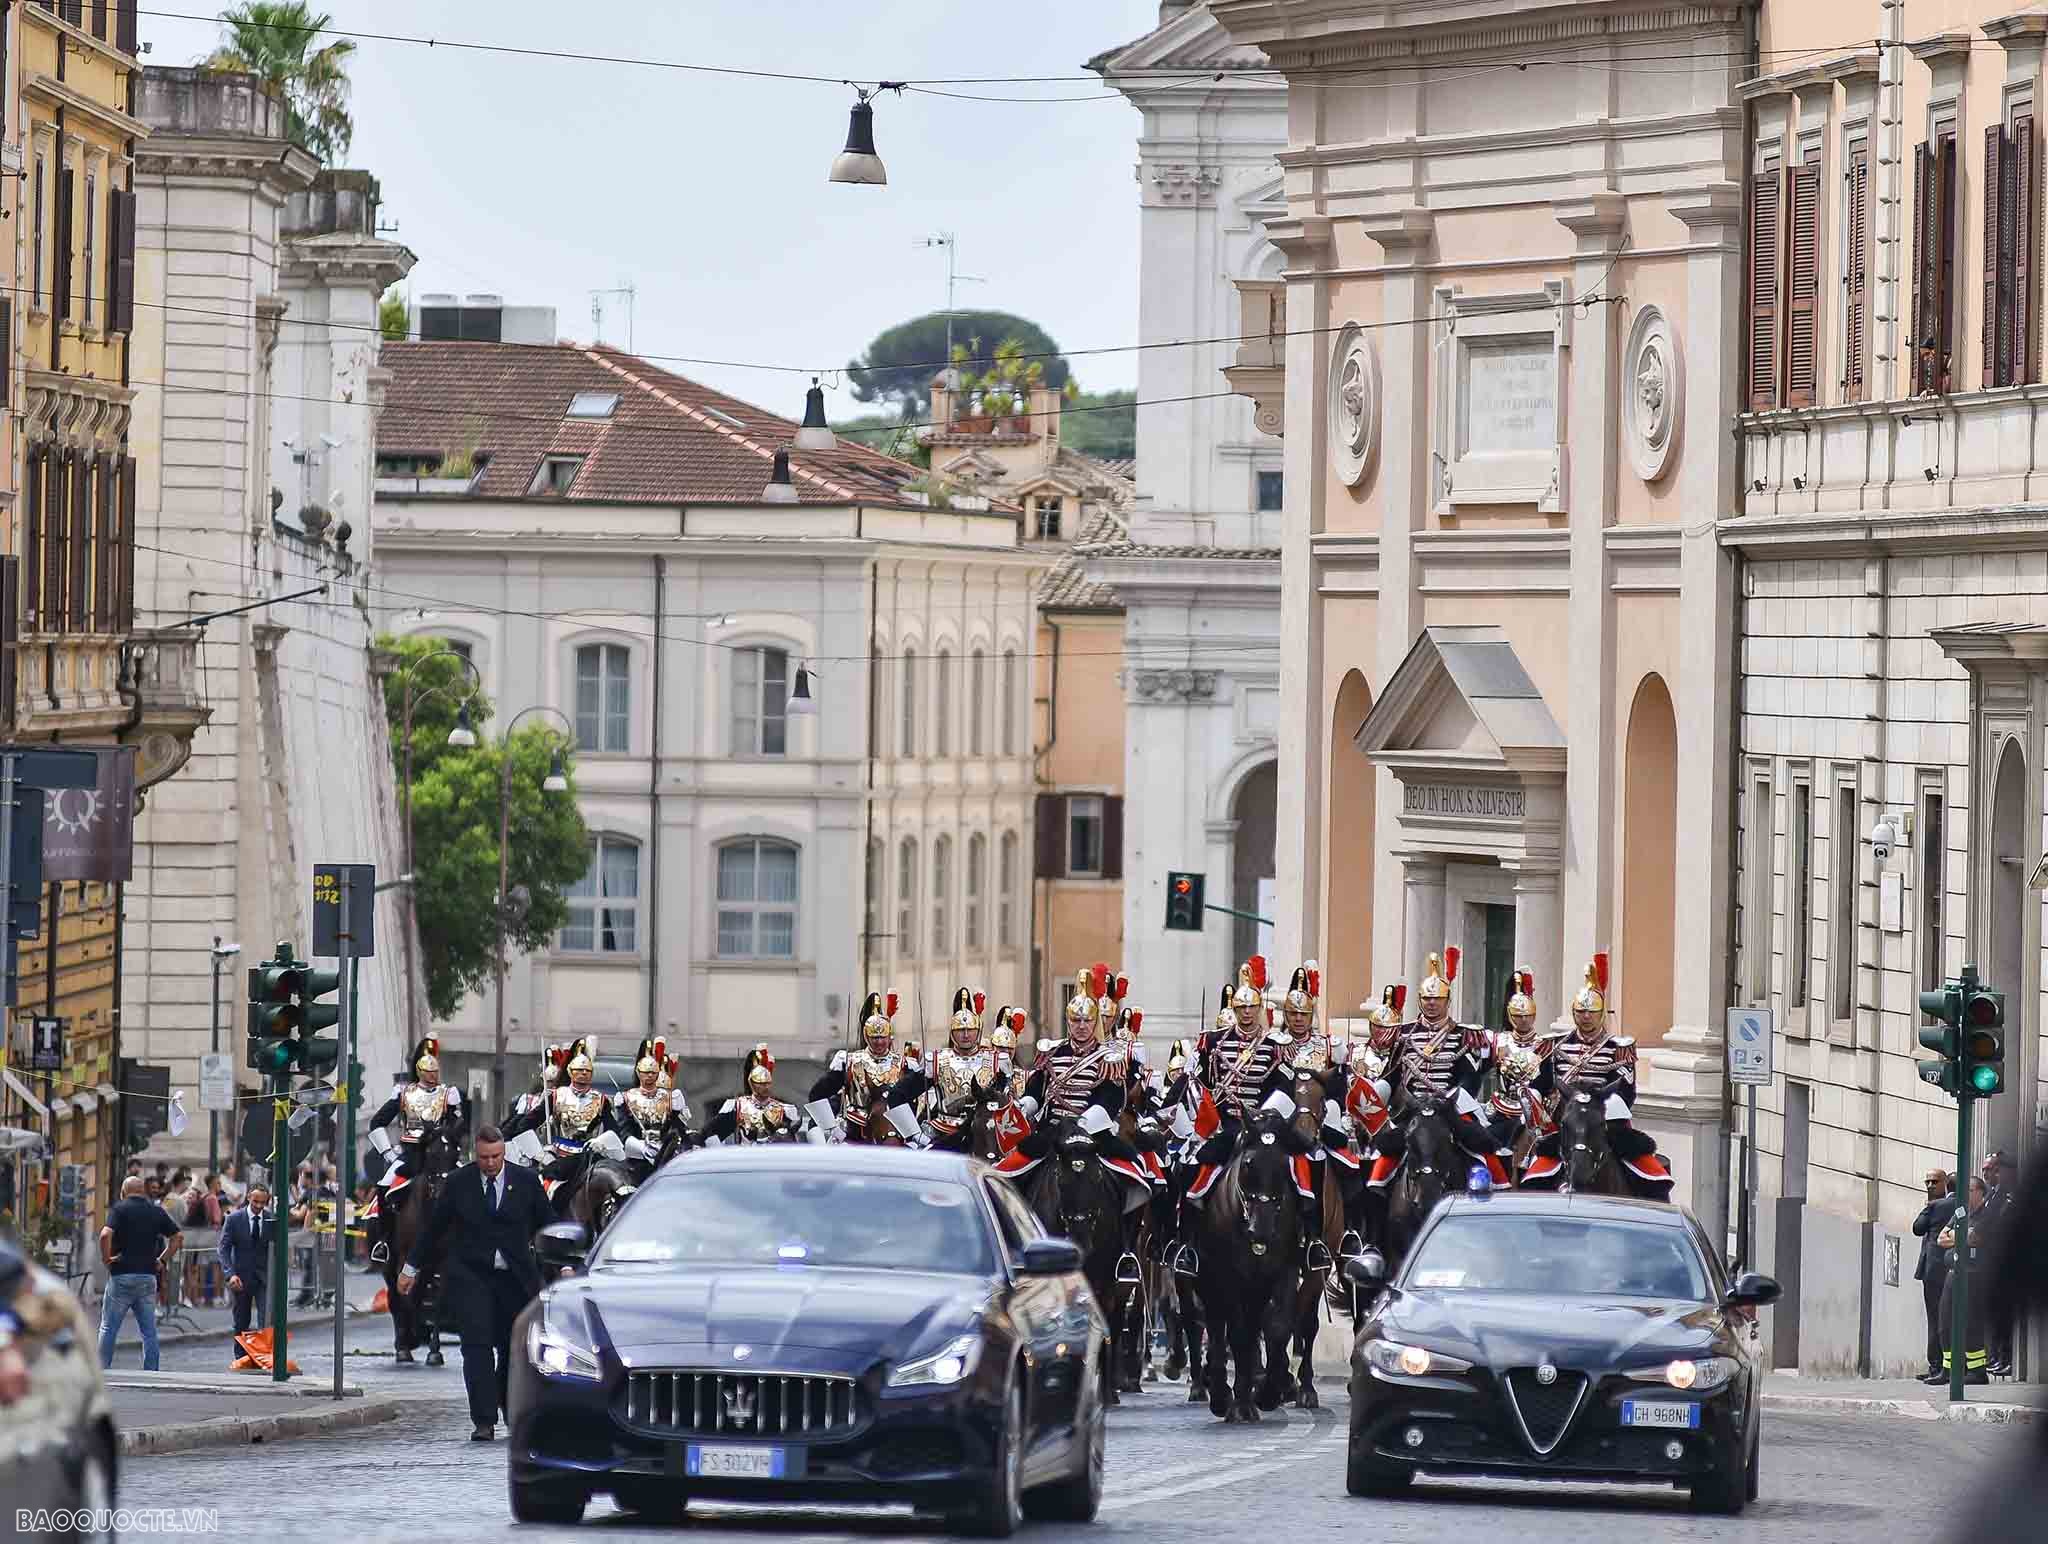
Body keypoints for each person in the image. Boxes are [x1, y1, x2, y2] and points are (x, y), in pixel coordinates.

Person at [398, 1125, 552, 1442]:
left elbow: (548, 1222)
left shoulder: (525, 1181)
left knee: (514, 1350)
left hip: (515, 1278)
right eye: (484, 1158)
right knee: (476, 1348)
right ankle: (483, 1421)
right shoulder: (459, 1183)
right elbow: (433, 1229)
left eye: (496, 1157)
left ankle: (510, 1410)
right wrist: (410, 1268)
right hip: (472, 1276)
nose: (490, 1163)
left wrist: (564, 1263)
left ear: (504, 1153)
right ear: (475, 1155)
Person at [365, 1036, 468, 1265]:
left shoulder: (448, 1094)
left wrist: (450, 1139)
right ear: (420, 1071)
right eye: (429, 1071)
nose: (433, 1076)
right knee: (384, 1186)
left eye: (435, 1071)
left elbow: (459, 1124)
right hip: (411, 1154)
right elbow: (377, 1122)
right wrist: (388, 1153)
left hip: (440, 1153)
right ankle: (384, 1241)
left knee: (470, 1185)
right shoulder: (404, 1093)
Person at [97, 1175, 183, 1369]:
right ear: (143, 1191)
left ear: (124, 1191)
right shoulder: (155, 1211)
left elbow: (105, 1235)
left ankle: (101, 1369)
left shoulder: (119, 1209)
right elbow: (178, 1237)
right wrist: (162, 1259)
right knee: (149, 1331)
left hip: (122, 1275)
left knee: (108, 1327)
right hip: (147, 1276)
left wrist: (106, 1259)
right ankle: (151, 1371)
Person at [1936, 1177, 1992, 1385]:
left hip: (1973, 1274)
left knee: (1971, 1323)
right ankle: (1948, 1370)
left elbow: (1974, 1238)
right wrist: (1961, 1235)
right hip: (1953, 1272)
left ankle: (1977, 1371)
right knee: (1945, 1321)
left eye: (1968, 1190)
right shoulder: (1960, 1212)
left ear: (1979, 1192)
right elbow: (1941, 1238)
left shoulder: (1987, 1214)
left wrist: (1957, 1236)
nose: (1964, 1194)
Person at [217, 1184, 273, 1354]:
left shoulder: (271, 1218)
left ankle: (265, 1356)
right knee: (241, 1321)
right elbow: (223, 1248)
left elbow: (278, 1248)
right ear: (248, 1197)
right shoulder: (234, 1219)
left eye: (263, 1203)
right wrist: (230, 1274)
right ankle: (241, 1357)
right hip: (240, 1278)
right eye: (256, 1201)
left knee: (267, 1319)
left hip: (264, 1278)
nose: (258, 1206)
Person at [1913, 1169, 1954, 1384]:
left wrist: (1926, 1209)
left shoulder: (1934, 1207)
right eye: (1927, 1181)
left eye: (1934, 1182)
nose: (1929, 1186)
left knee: (1936, 1319)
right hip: (1951, 1267)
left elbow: (1917, 1228)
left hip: (1935, 1270)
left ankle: (1937, 1365)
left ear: (1945, 1183)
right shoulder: (1960, 1205)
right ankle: (1942, 1365)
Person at [1981, 1151, 2018, 1376]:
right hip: (1993, 1261)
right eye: (1985, 1169)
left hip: (2007, 1263)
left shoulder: (2008, 1195)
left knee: (2007, 1314)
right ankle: (1997, 1356)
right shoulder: (1991, 1194)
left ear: (2001, 1171)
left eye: (1991, 1169)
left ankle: (2007, 1358)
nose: (1986, 1173)